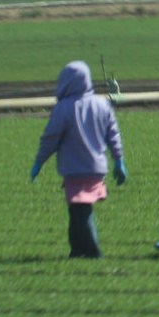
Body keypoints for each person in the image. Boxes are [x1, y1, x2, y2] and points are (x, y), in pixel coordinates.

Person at [31, 60, 127, 259]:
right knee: (77, 210)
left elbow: (51, 138)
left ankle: (92, 251)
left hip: (75, 169)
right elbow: (113, 134)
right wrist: (119, 161)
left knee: (81, 210)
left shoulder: (64, 108)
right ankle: (77, 251)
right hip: (97, 168)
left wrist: (39, 162)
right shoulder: (102, 104)